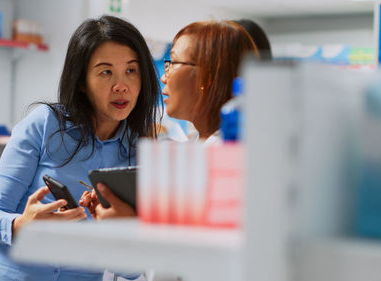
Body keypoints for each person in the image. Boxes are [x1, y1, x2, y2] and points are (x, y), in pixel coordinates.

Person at [0, 15, 160, 281]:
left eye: (131, 70)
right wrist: (20, 225)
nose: (121, 86)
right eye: (106, 72)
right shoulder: (44, 124)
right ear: (82, 82)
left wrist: (112, 232)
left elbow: (132, 271)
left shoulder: (139, 151)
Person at [80, 20, 258, 220]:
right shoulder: (195, 150)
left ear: (206, 77)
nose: (164, 77)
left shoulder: (226, 158)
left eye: (173, 63)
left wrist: (131, 222)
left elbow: (203, 242)